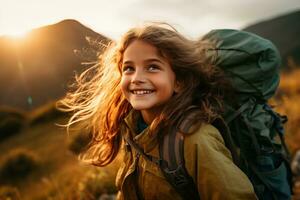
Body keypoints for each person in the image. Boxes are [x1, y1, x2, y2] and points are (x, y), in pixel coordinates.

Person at [59, 23, 257, 200]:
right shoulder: (135, 132)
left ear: (179, 81)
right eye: (128, 68)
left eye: (152, 67)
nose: (136, 78)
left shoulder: (196, 139)